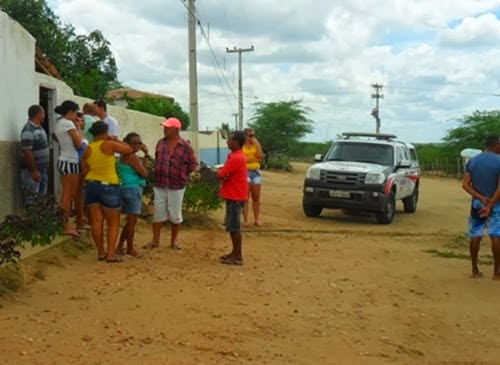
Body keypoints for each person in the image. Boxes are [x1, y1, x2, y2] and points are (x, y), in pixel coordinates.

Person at [81, 121, 133, 262]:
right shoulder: (109, 145)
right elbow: (129, 149)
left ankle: (101, 252)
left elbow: (84, 170)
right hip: (109, 185)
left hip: (91, 185)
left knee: (96, 222)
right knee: (112, 223)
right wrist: (115, 139)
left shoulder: (88, 149)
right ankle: (111, 254)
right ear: (105, 132)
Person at [144, 117, 198, 250]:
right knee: (158, 213)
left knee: (175, 214)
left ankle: (174, 241)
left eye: (167, 127)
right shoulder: (160, 143)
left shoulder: (186, 147)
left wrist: (182, 175)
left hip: (176, 185)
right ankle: (155, 240)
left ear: (176, 129)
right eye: (164, 127)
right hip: (160, 183)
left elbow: (193, 165)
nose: (164, 129)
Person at [462, 135, 500, 279]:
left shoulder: (473, 161)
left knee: (475, 235)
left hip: (477, 204)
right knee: (496, 235)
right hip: (496, 205)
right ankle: (497, 272)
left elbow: (465, 185)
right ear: (496, 145)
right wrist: (490, 204)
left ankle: (475, 270)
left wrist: (480, 197)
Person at [116, 133, 149, 258]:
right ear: (127, 143)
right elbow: (144, 173)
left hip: (125, 187)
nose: (138, 145)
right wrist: (146, 156)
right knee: (131, 222)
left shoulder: (122, 156)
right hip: (133, 189)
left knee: (130, 221)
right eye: (134, 143)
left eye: (139, 143)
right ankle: (130, 248)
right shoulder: (132, 157)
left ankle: (120, 246)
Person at [218, 131, 248, 265]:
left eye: (230, 140)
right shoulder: (237, 156)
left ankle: (237, 256)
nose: (227, 142)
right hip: (235, 195)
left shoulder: (236, 158)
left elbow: (222, 173)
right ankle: (235, 253)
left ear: (236, 142)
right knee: (232, 226)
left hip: (235, 195)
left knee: (234, 227)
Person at [54, 100, 83, 237]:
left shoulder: (59, 123)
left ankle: (63, 224)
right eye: (75, 112)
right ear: (71, 112)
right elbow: (79, 143)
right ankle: (64, 226)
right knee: (68, 196)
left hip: (64, 159)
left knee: (67, 195)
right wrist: (78, 127)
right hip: (70, 161)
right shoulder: (68, 123)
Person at [20, 105, 49, 206]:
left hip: (42, 169)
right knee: (32, 199)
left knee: (40, 199)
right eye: (43, 113)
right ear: (39, 114)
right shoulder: (28, 130)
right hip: (33, 171)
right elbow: (27, 151)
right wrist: (33, 170)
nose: (44, 115)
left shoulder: (39, 128)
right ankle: (31, 220)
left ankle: (39, 220)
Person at [242, 128, 264, 227]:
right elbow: (243, 159)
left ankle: (257, 219)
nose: (252, 137)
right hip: (245, 172)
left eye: (253, 135)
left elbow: (260, 157)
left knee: (256, 196)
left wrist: (257, 144)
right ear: (245, 136)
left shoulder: (255, 145)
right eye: (250, 136)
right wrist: (254, 159)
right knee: (245, 196)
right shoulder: (242, 146)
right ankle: (246, 220)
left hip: (256, 172)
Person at [74, 112, 90, 230]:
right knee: (78, 194)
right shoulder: (76, 133)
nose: (83, 123)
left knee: (81, 194)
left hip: (84, 166)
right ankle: (79, 220)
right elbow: (79, 146)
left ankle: (81, 217)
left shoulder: (82, 134)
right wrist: (78, 127)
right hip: (79, 166)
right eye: (81, 120)